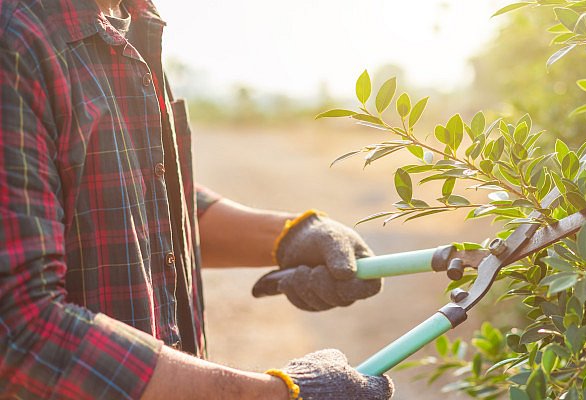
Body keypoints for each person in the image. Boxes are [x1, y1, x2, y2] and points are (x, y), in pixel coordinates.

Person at [0, 0, 394, 398]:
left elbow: (138, 200)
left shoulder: (132, 22)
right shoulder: (16, 38)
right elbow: (20, 330)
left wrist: (289, 237)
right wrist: (279, 394)